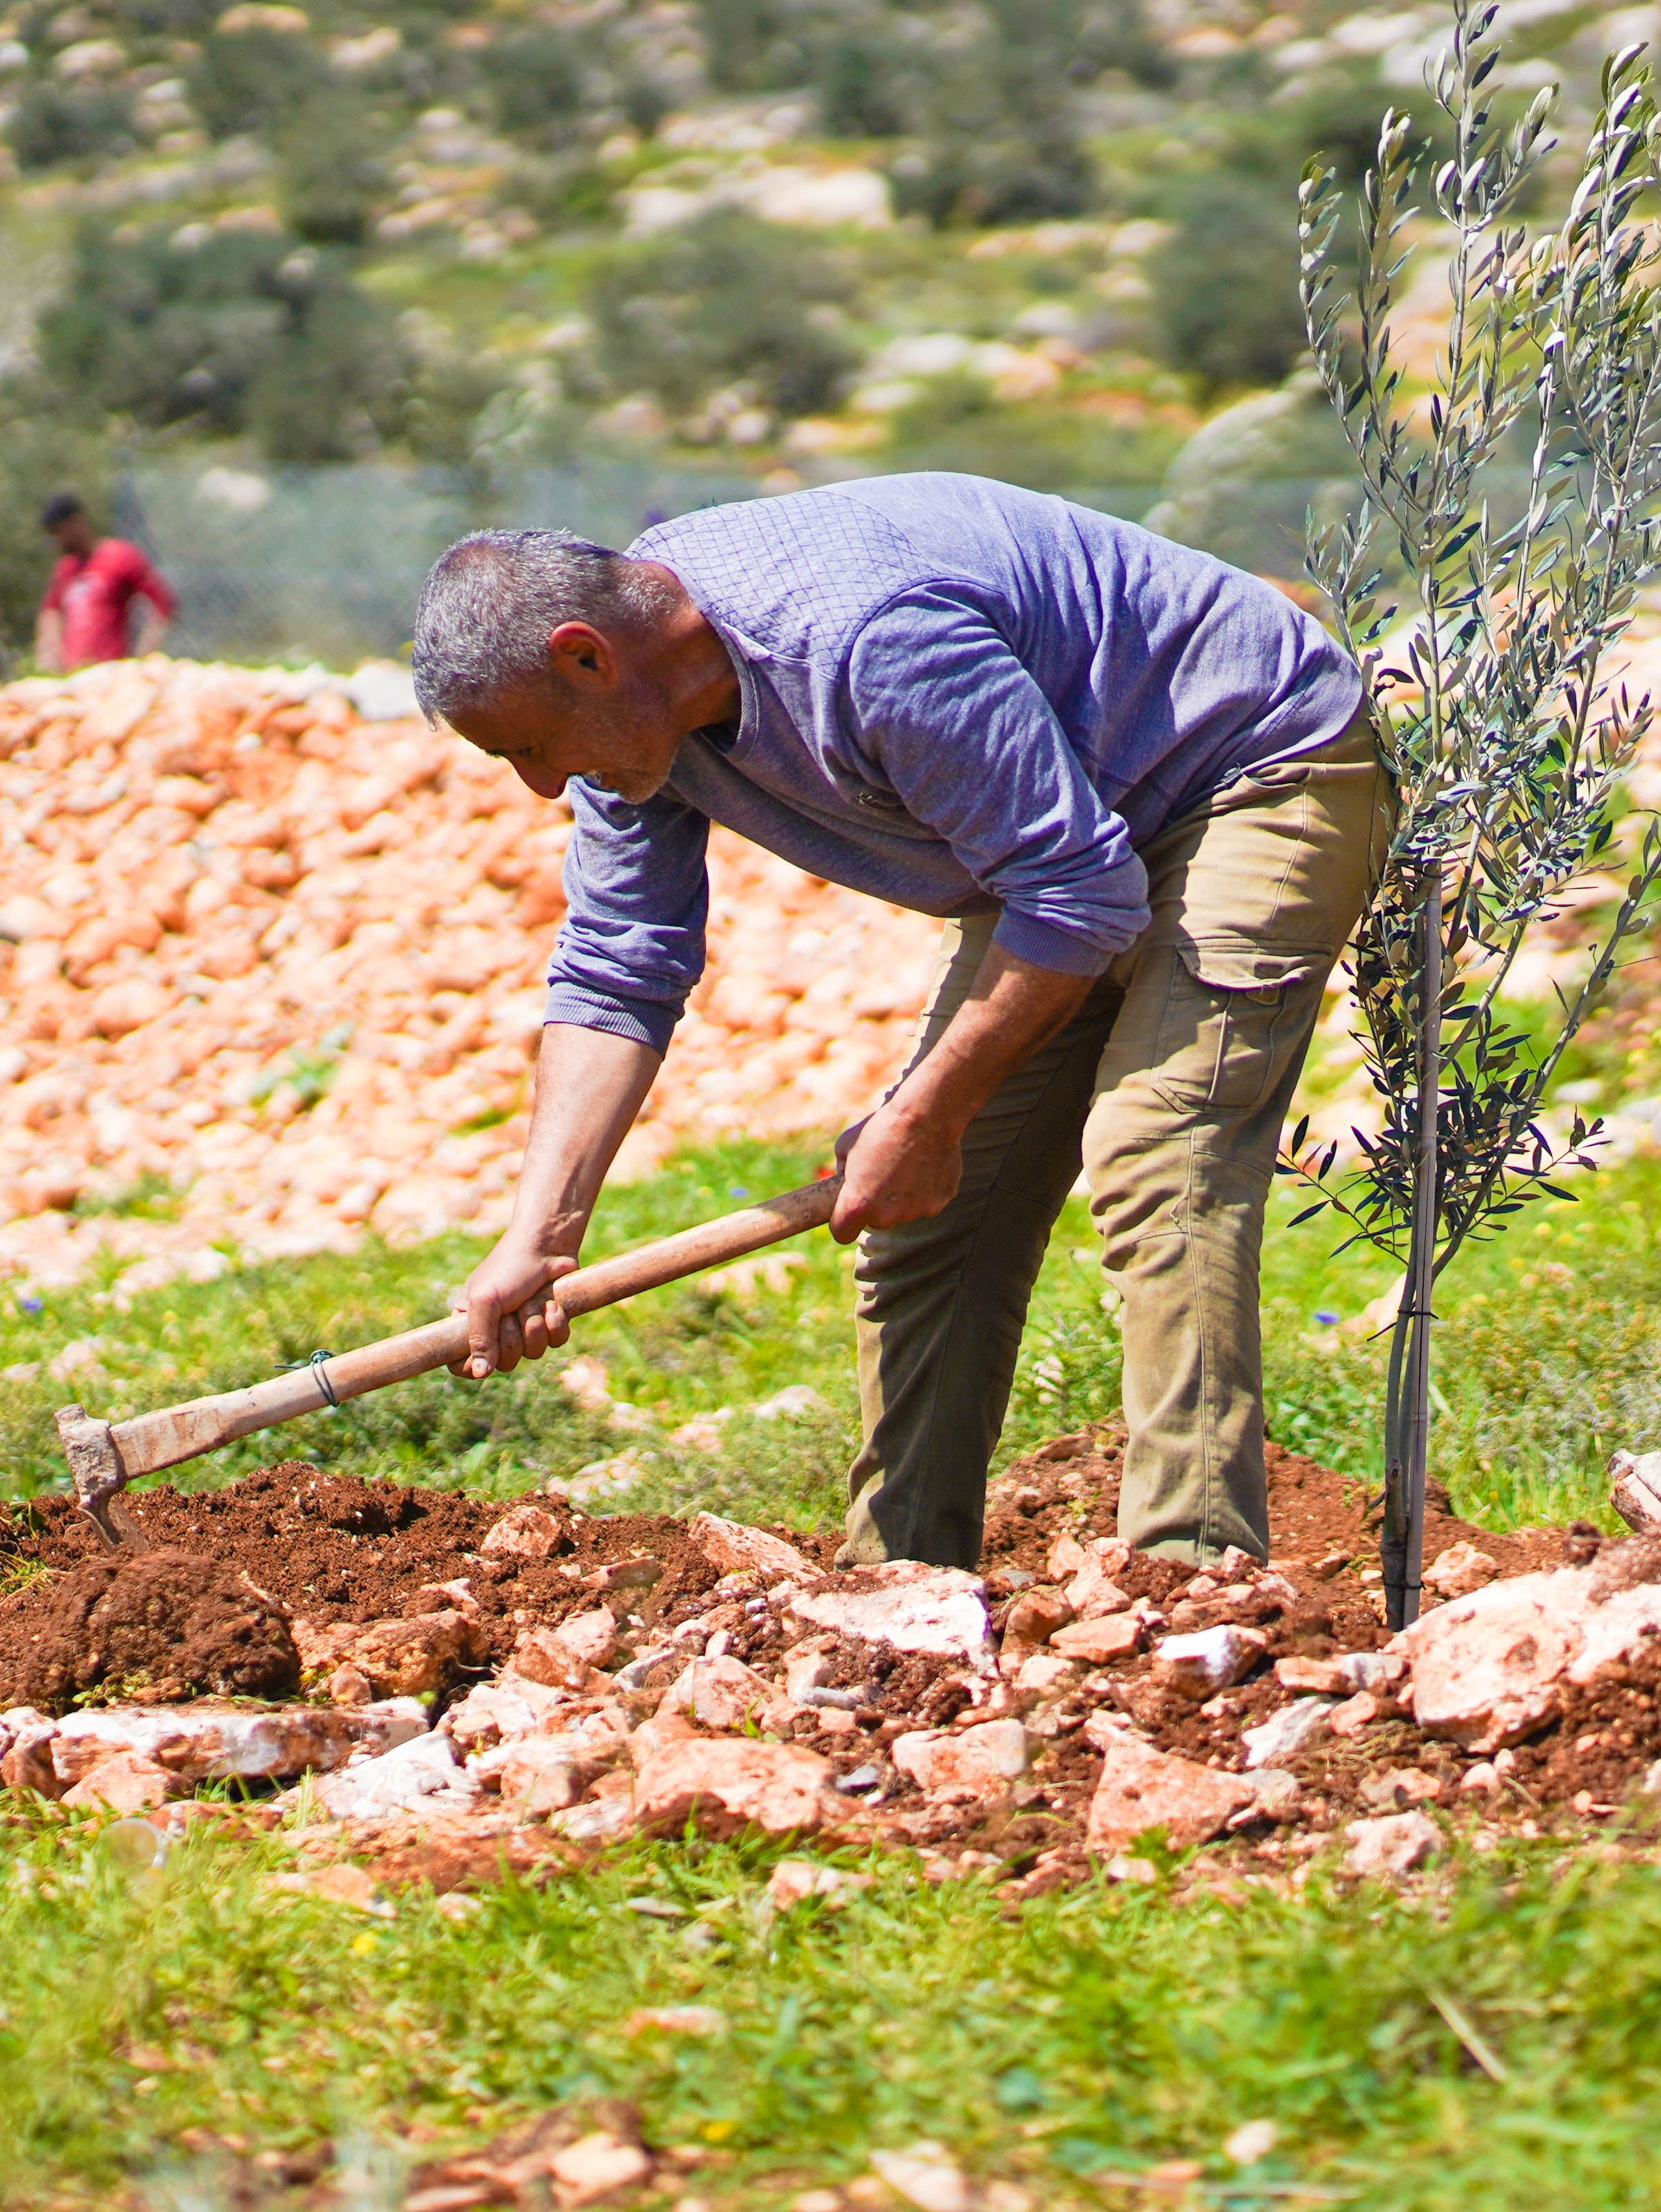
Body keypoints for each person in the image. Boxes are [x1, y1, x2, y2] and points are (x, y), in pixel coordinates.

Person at [409, 476, 1389, 1570]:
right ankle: (901, 1598)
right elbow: (618, 967)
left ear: (586, 655)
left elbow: (1076, 894)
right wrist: (540, 1236)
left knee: (1160, 1152)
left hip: (1246, 762)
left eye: (529, 747)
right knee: (926, 1213)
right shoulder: (628, 720)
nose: (544, 788)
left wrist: (925, 1112)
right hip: (1060, 843)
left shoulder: (866, 640)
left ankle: (1191, 1594)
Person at [37, 495, 175, 670]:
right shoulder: (65, 570)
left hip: (110, 672)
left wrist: (144, 656)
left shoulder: (120, 556)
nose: (58, 542)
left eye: (59, 532)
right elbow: (50, 610)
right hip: (75, 675)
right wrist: (50, 650)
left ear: (76, 523)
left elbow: (163, 603)